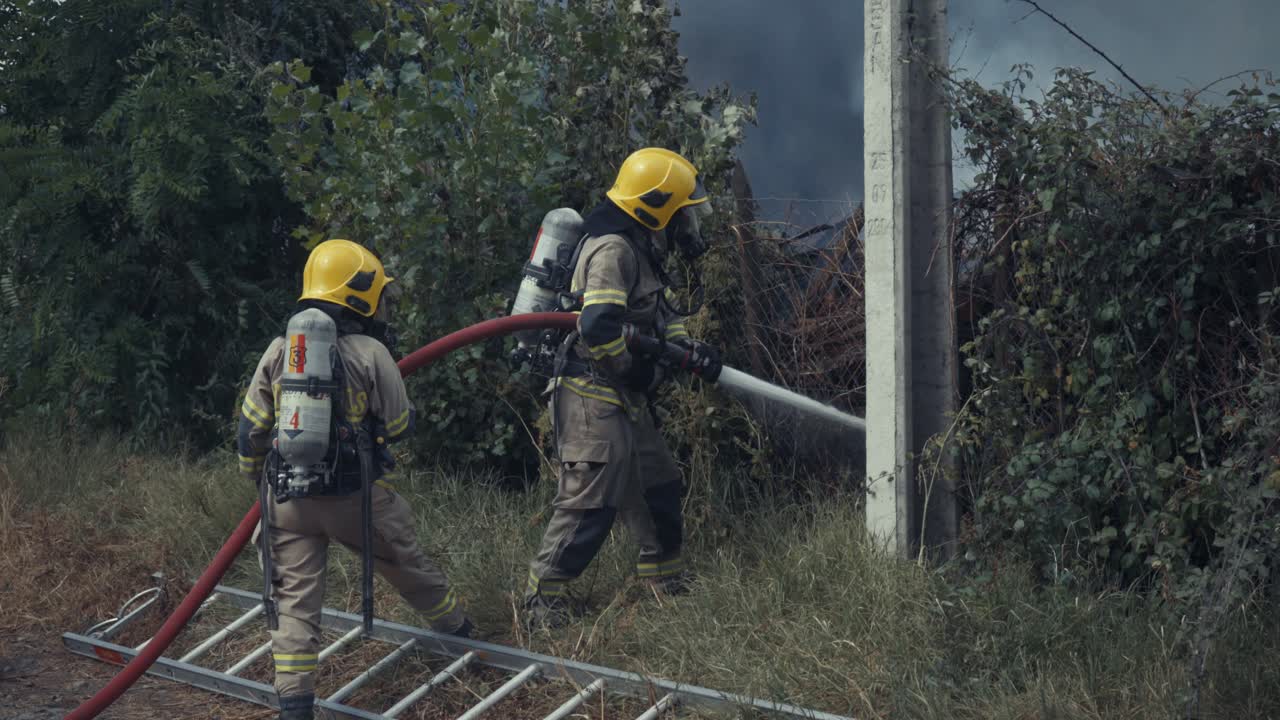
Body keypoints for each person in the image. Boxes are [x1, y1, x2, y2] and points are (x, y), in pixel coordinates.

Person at [237, 239, 472, 720]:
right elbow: (400, 425)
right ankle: (461, 634)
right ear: (361, 295)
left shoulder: (281, 349)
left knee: (295, 603)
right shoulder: (371, 351)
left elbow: (249, 431)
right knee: (405, 562)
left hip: (286, 499)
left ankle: (296, 703)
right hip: (355, 500)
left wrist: (259, 485)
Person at [523, 148, 722, 627]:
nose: (689, 225)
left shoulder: (646, 247)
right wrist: (633, 370)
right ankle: (540, 602)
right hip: (591, 390)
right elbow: (598, 326)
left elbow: (660, 319)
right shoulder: (613, 249)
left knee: (659, 484)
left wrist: (689, 349)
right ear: (656, 208)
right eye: (682, 214)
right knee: (591, 498)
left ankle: (664, 580)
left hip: (621, 394)